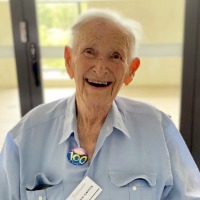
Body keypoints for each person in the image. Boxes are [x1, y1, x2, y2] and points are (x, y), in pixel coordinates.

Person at [0, 8, 200, 200]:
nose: (101, 67)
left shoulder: (159, 130)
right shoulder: (24, 137)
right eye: (89, 52)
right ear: (70, 61)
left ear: (131, 71)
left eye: (115, 56)